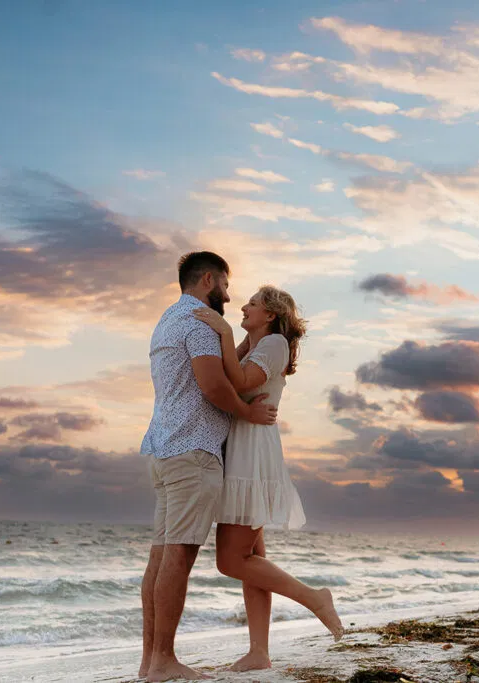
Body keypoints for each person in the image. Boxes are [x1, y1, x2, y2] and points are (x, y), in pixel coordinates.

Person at [139, 252, 277, 682]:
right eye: (225, 285)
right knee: (178, 554)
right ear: (207, 279)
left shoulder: (168, 319)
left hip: (163, 450)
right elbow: (214, 384)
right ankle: (163, 660)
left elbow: (221, 369)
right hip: (194, 453)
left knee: (161, 555)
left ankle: (150, 661)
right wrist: (246, 413)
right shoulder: (199, 321)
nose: (229, 295)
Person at [193, 285, 344, 673]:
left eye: (253, 304)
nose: (242, 307)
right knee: (251, 558)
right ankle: (259, 651)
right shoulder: (253, 343)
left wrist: (224, 334)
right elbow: (224, 380)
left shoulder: (274, 343)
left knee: (230, 559)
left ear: (272, 315)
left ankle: (316, 598)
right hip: (243, 448)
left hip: (252, 454)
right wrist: (233, 340)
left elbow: (241, 383)